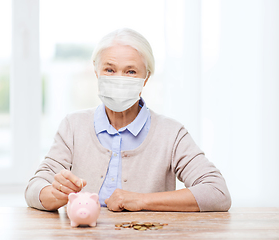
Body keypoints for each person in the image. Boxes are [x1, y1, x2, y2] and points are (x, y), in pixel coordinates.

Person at [25, 28, 231, 212]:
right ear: (97, 72)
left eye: (130, 71)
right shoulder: (73, 126)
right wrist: (55, 194)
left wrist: (141, 200)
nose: (119, 78)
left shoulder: (171, 133)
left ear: (146, 78)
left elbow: (217, 192)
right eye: (110, 69)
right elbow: (34, 187)